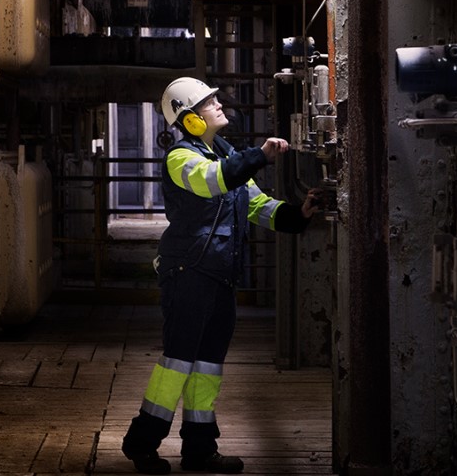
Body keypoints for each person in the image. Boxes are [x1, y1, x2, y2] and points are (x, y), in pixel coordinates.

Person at [122, 77, 320, 474]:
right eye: (208, 102)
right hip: (188, 272)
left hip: (219, 275)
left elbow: (256, 205)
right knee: (178, 361)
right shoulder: (181, 158)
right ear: (190, 120)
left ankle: (199, 449)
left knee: (208, 364)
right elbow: (213, 182)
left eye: (214, 99)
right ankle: (141, 443)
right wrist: (259, 155)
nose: (218, 105)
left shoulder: (225, 153)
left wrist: (297, 215)